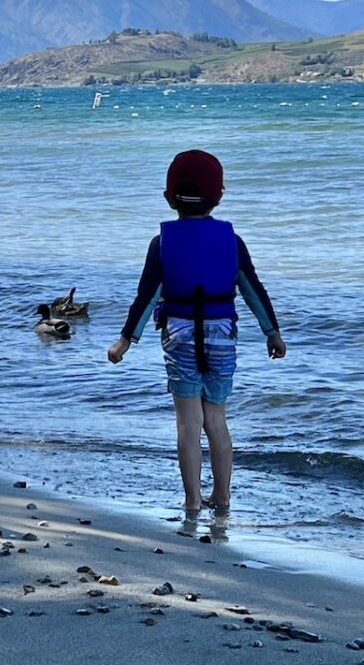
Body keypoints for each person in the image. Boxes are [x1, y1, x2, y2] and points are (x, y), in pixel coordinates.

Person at [107, 149, 286, 514]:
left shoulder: (162, 244)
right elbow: (253, 289)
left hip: (180, 334)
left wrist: (125, 340)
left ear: (168, 197)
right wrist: (272, 332)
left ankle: (192, 501)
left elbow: (147, 296)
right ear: (220, 195)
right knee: (216, 419)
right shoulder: (231, 242)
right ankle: (222, 498)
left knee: (189, 423)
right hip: (221, 334)